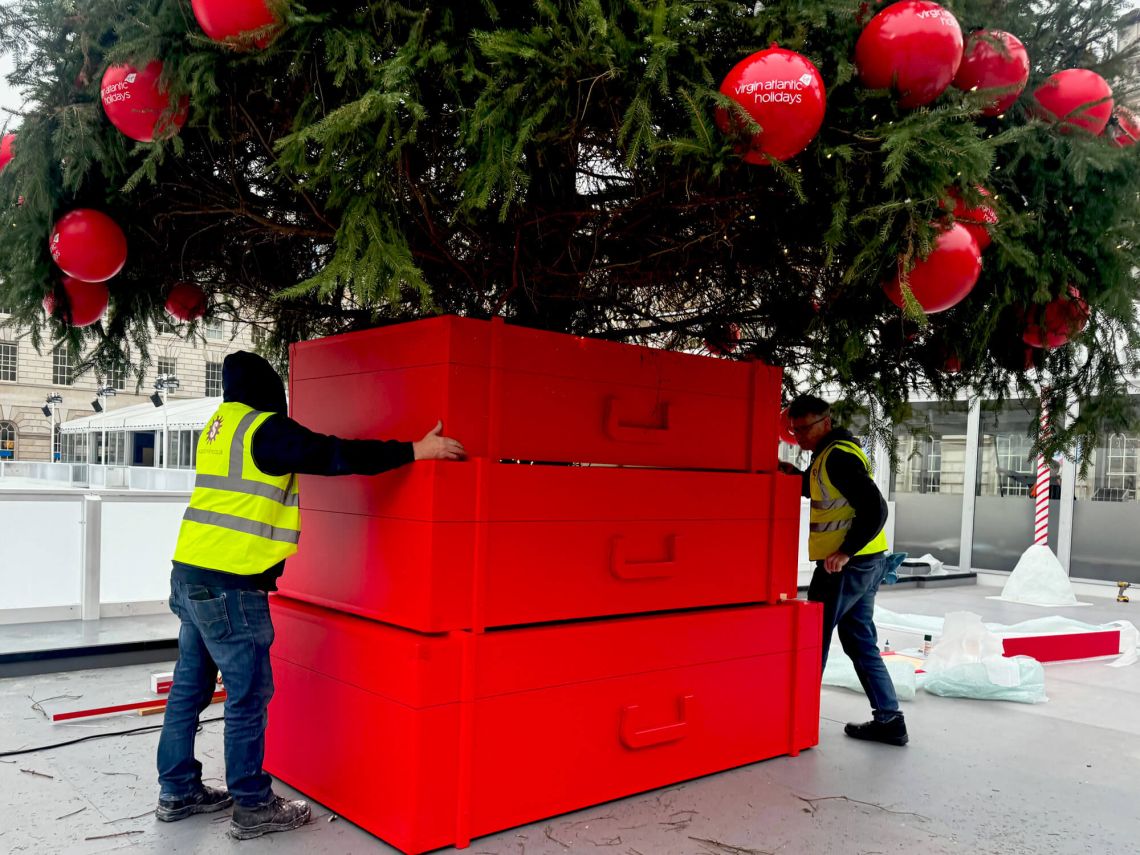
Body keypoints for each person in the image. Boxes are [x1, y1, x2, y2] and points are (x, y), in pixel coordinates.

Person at [155, 351, 465, 839]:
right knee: (247, 695)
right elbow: (333, 453)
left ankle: (177, 791)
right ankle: (253, 805)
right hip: (231, 584)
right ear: (267, 389)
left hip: (189, 573)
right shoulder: (265, 431)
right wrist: (413, 451)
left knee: (190, 688)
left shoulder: (221, 424)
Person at [779, 394, 907, 747]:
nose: (799, 438)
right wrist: (793, 476)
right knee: (858, 640)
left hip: (847, 566)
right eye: (794, 431)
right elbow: (819, 489)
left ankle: (796, 725)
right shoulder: (827, 455)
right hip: (867, 562)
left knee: (811, 640)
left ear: (825, 422)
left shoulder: (836, 456)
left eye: (804, 430)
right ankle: (890, 720)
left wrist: (844, 551)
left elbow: (875, 509)